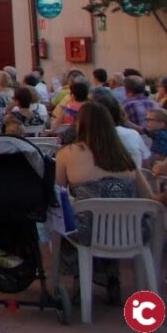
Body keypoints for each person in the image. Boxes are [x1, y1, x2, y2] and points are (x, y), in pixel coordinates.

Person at [55, 101, 152, 304]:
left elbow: (59, 192)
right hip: (130, 232)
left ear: (80, 124)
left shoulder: (68, 153)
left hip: (87, 232)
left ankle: (80, 281)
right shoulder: (124, 157)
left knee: (70, 218)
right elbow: (148, 197)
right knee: (110, 220)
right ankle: (112, 277)